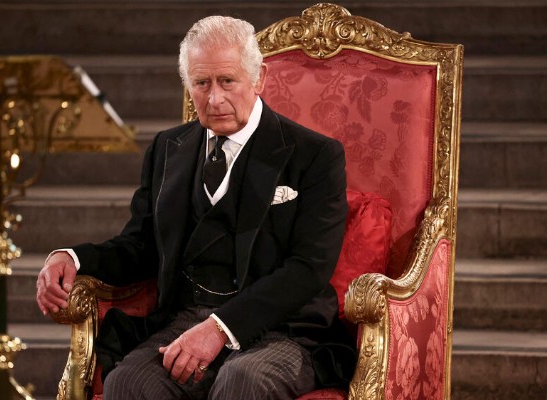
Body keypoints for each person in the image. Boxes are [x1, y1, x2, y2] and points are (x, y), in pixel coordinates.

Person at [36, 15, 356, 400]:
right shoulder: (167, 149)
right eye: (202, 83)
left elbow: (308, 268)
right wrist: (72, 258)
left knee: (241, 381)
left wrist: (221, 328)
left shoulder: (314, 155)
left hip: (283, 329)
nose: (214, 98)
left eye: (227, 81)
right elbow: (140, 246)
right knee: (128, 382)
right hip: (187, 319)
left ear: (259, 79)